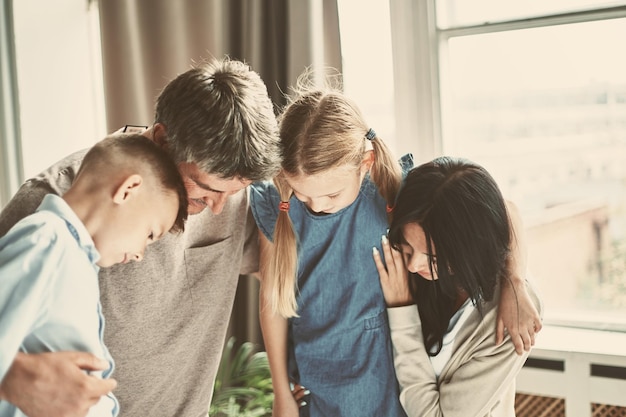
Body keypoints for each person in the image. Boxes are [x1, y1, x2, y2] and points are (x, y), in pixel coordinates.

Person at [0, 57, 282, 417]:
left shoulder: (231, 197)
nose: (217, 208)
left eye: (233, 192)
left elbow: (288, 276)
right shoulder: (48, 205)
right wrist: (12, 379)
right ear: (163, 139)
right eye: (204, 191)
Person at [250, 78, 539, 416]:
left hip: (388, 386)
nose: (315, 206)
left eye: (330, 195)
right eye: (304, 195)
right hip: (320, 387)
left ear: (365, 162)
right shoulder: (279, 204)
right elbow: (272, 303)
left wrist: (515, 282)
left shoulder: (393, 191)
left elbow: (503, 211)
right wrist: (281, 391)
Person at [0, 133, 188, 417]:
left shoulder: (75, 259)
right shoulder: (47, 240)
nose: (140, 254)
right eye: (150, 234)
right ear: (128, 190)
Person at [373, 156, 543, 416]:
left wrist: (402, 309)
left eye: (432, 257)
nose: (411, 265)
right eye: (408, 246)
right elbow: (507, 208)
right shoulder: (429, 253)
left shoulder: (510, 317)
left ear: (469, 246)